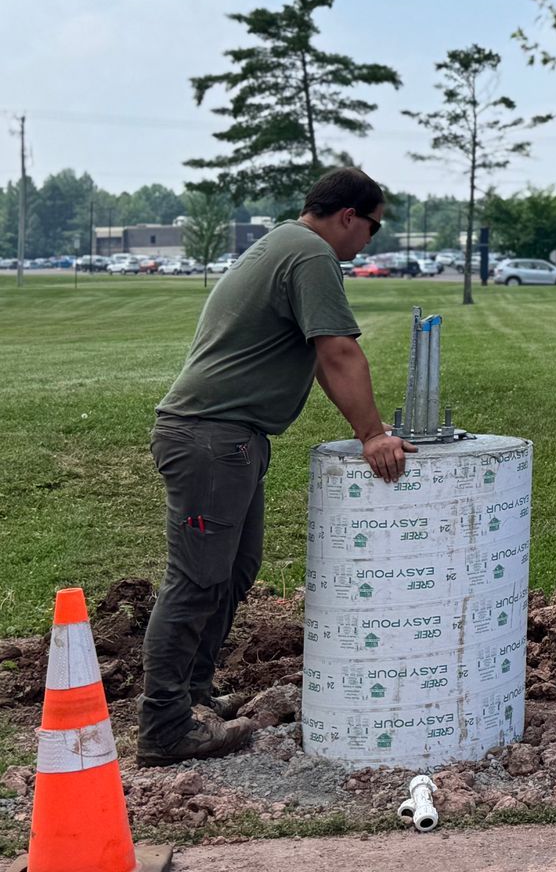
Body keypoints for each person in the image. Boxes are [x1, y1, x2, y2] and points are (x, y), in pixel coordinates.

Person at [135, 167, 417, 766]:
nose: (370, 239)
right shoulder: (312, 256)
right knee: (196, 580)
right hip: (212, 440)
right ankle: (164, 726)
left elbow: (318, 353)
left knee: (234, 572)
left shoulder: (282, 244)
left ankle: (195, 697)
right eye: (372, 226)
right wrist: (373, 436)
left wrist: (367, 426)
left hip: (229, 439)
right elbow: (338, 351)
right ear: (348, 217)